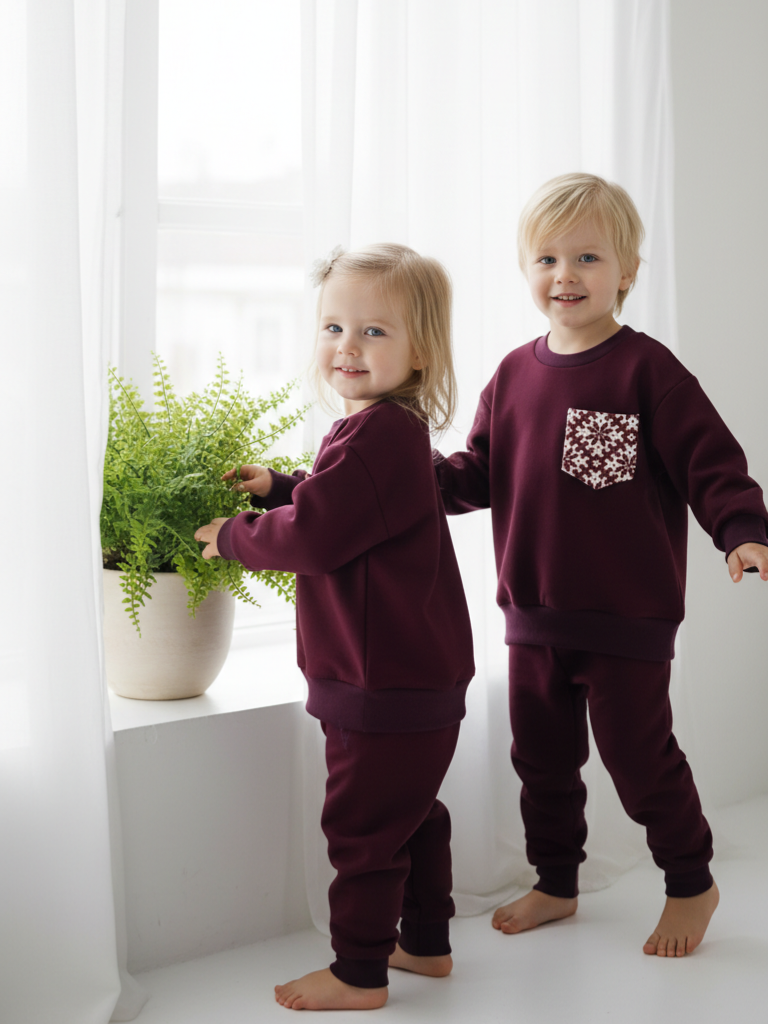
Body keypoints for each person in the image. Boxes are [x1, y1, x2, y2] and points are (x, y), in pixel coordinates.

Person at [433, 173, 768, 958]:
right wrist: (401, 481)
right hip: (532, 617)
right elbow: (475, 474)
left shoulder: (647, 370)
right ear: (526, 271)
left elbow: (712, 463)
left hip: (626, 620)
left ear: (627, 272)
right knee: (541, 762)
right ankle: (557, 881)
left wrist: (742, 531)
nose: (566, 275)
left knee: (640, 761)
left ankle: (692, 881)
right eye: (547, 259)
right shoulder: (512, 375)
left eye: (587, 257)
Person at [195, 243, 474, 1010]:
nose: (347, 346)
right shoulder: (382, 431)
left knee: (362, 826)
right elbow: (346, 507)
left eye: (374, 332)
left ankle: (359, 972)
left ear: (420, 351)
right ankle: (425, 942)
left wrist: (235, 535)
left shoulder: (380, 434)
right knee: (411, 813)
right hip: (410, 672)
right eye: (333, 328)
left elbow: (317, 536)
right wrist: (282, 486)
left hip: (378, 678)